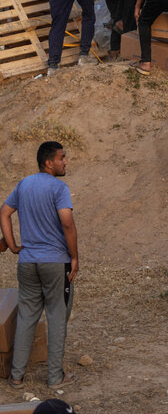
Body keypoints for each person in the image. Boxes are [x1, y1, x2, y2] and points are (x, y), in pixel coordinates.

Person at [0, 141, 78, 389]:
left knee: (26, 316)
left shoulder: (24, 184)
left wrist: (13, 246)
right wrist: (74, 257)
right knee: (57, 317)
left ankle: (16, 376)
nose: (65, 162)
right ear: (49, 162)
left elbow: (4, 213)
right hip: (55, 263)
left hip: (27, 262)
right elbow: (67, 223)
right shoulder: (59, 187)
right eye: (62, 158)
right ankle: (55, 378)